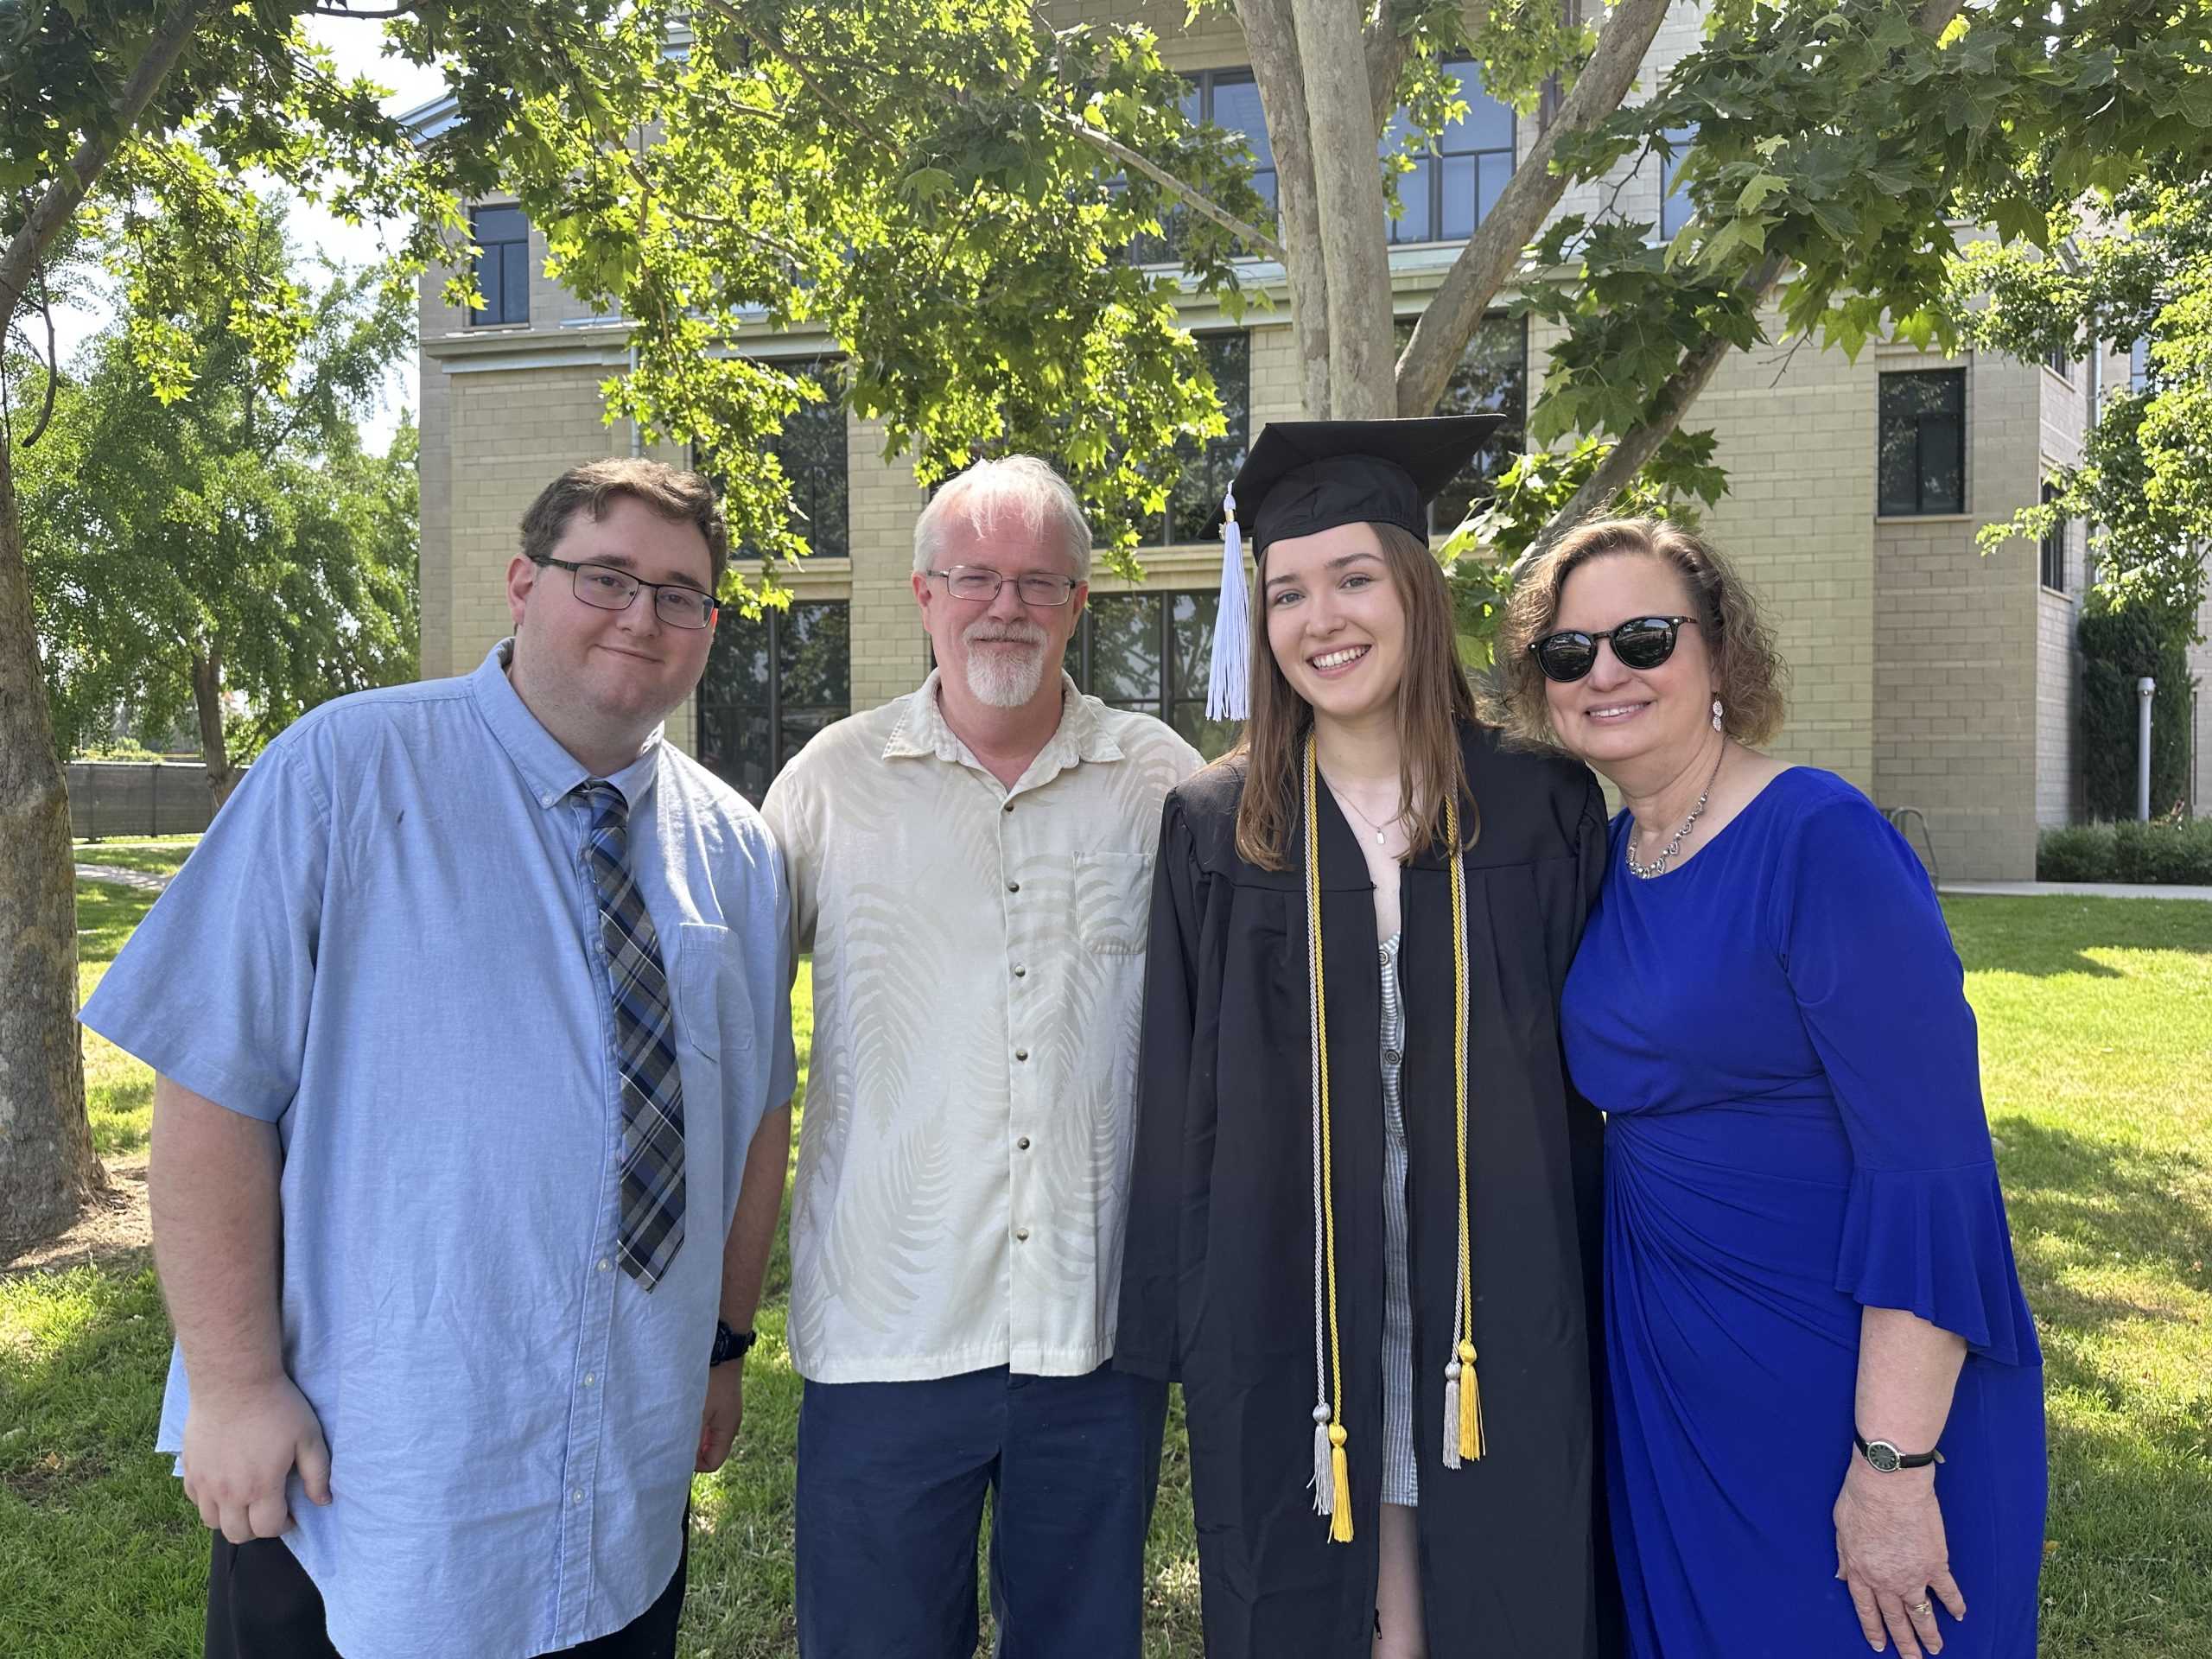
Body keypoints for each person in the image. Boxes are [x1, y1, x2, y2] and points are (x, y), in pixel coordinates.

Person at [79, 459, 798, 1659]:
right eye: (606, 576)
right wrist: (236, 1384)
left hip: (622, 1472)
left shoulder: (738, 848)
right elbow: (210, 1091)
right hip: (372, 1481)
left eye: (682, 595)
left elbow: (757, 1116)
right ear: (522, 582)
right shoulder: (343, 774)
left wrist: (724, 1348)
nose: (643, 616)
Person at [1498, 517, 2046, 1659]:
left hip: (1848, 1396)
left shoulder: (1819, 841)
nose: (1606, 671)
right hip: (1678, 1398)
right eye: (1569, 653)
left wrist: (1892, 1469)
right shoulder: (1607, 862)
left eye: (1644, 638)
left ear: (1719, 655)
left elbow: (1933, 1174)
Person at [1116, 417, 1614, 1659]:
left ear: (1416, 591)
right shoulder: (1216, 827)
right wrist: (1176, 1317)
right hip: (1286, 1277)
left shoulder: (1541, 806)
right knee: (1314, 1581)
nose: (1320, 619)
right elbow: (1174, 1091)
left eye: (1354, 579)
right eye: (1286, 590)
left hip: (1503, 1283)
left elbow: (1602, 1078)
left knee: (1499, 1574)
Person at [760, 455, 1201, 1658]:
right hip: (887, 1326)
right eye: (974, 579)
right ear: (922, 594)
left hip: (1091, 1329)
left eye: (1037, 583)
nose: (1004, 606)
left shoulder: (1160, 781)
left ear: (1079, 603)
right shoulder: (830, 785)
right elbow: (731, 1033)